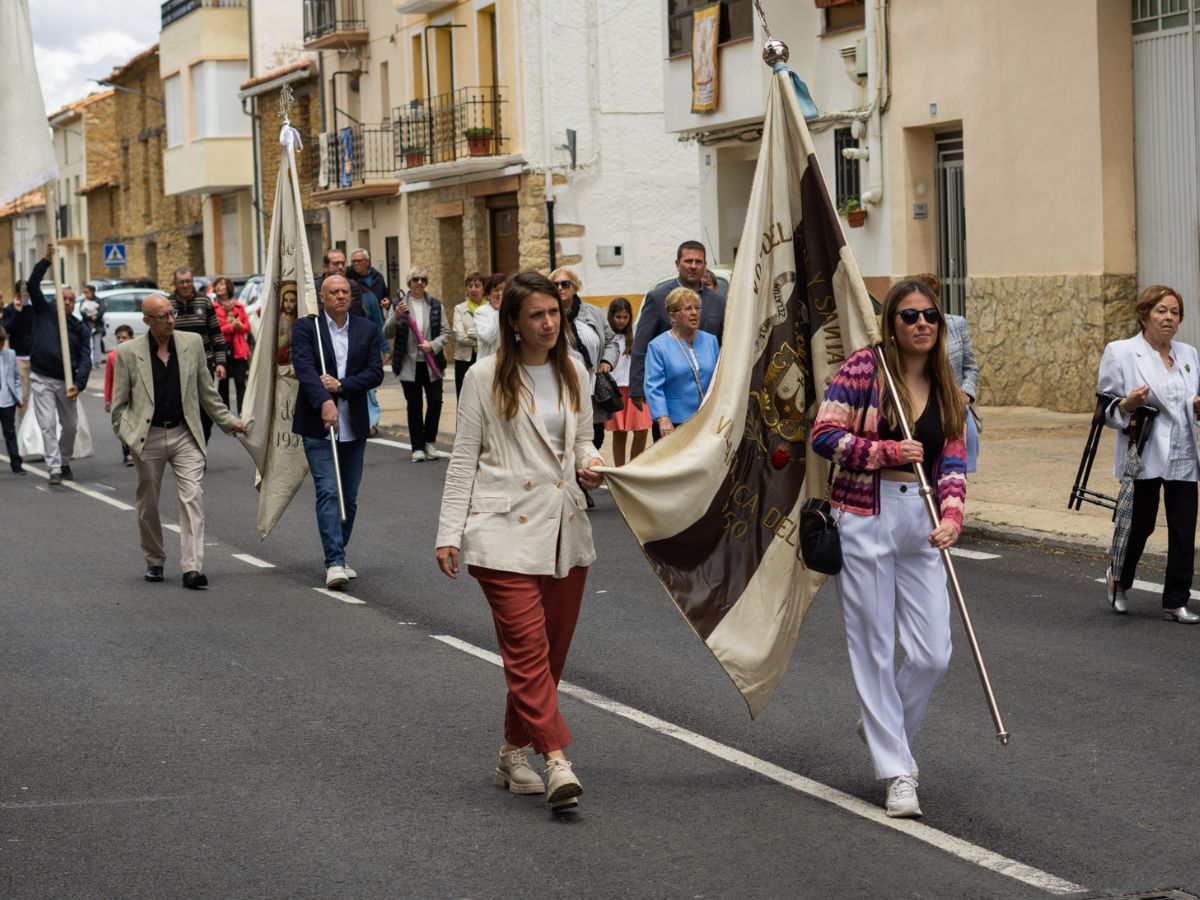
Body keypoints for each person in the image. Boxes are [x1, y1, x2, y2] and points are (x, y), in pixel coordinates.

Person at [435, 270, 604, 812]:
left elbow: (582, 442)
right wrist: (448, 533)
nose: (550, 322)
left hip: (563, 527)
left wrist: (591, 465)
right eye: (537, 314)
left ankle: (512, 752)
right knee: (528, 649)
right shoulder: (483, 378)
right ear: (513, 322)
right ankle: (557, 761)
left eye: (554, 312)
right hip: (500, 528)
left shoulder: (574, 369)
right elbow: (463, 457)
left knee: (548, 656)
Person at [811, 278, 967, 819]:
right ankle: (897, 770)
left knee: (933, 653)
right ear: (892, 324)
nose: (921, 323)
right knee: (873, 645)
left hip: (921, 518)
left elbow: (952, 461)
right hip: (864, 514)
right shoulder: (863, 369)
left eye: (930, 315)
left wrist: (951, 515)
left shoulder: (946, 383)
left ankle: (883, 723)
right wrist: (883, 450)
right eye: (909, 316)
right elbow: (825, 434)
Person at [110, 294, 246, 588]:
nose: (171, 320)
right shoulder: (128, 353)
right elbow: (119, 407)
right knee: (148, 505)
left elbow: (207, 392)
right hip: (149, 437)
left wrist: (230, 422)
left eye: (172, 314)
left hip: (185, 432)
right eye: (163, 316)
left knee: (192, 497)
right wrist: (128, 436)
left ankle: (192, 568)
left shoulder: (191, 344)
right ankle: (155, 559)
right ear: (147, 320)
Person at [1097, 284, 1200, 623]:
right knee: (1140, 525)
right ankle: (1120, 580)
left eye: (1174, 312)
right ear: (1144, 316)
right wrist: (1128, 404)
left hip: (1184, 452)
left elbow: (1190, 405)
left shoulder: (1189, 354)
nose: (1169, 318)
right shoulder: (1121, 352)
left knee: (1184, 528)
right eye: (1161, 311)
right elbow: (1105, 410)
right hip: (1144, 452)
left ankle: (1176, 600)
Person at [291, 275, 384, 588]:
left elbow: (375, 373)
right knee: (329, 490)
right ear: (322, 296)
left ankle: (340, 551)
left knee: (350, 496)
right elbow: (304, 368)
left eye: (345, 291)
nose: (341, 296)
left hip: (354, 425)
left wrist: (342, 387)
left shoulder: (366, 329)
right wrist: (323, 401)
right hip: (318, 425)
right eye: (334, 292)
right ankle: (333, 561)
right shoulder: (308, 328)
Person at [629, 240, 726, 423]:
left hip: (707, 402)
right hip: (671, 401)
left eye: (698, 262)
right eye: (688, 261)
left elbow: (723, 346)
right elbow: (642, 343)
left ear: (705, 266)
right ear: (677, 264)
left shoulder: (718, 301)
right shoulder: (658, 297)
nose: (693, 266)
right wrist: (637, 386)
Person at [24, 244, 92, 485]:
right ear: (55, 301)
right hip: (41, 378)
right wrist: (45, 260)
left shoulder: (79, 328)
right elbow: (32, 285)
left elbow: (86, 358)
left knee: (71, 426)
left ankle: (64, 460)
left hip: (67, 382)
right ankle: (54, 468)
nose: (67, 302)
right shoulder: (44, 312)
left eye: (71, 300)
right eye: (63, 298)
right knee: (48, 425)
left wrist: (80, 384)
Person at [913, 273, 980, 473]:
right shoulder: (908, 330)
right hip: (921, 410)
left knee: (957, 473)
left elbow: (971, 368)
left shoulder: (957, 324)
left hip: (955, 410)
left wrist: (966, 393)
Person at [384, 266, 450, 462]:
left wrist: (433, 345)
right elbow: (386, 332)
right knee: (414, 405)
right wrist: (395, 316)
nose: (419, 283)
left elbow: (446, 332)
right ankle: (417, 447)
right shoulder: (399, 305)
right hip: (408, 365)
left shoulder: (436, 306)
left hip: (432, 364)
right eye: (415, 280)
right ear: (409, 283)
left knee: (436, 401)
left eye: (423, 279)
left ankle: (429, 441)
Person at [643, 287, 719, 435]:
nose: (694, 313)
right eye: (688, 308)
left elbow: (719, 377)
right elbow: (653, 387)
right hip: (673, 423)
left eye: (697, 308)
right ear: (673, 316)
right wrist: (663, 418)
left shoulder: (711, 340)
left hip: (708, 419)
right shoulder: (658, 346)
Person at [168, 266, 227, 443]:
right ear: (175, 284)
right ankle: (190, 447)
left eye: (188, 281)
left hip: (204, 363)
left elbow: (216, 334)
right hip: (176, 365)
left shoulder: (205, 302)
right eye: (182, 282)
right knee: (182, 407)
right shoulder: (168, 305)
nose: (186, 285)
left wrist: (221, 362)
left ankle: (202, 442)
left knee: (205, 409)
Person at [604, 297, 651, 465]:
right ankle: (620, 469)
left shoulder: (637, 335)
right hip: (615, 389)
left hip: (635, 388)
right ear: (611, 316)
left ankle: (634, 466)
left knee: (642, 430)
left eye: (625, 317)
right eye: (618, 317)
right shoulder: (607, 337)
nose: (622, 321)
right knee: (619, 431)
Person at [212, 277, 251, 417]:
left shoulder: (239, 307)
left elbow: (247, 328)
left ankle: (242, 411)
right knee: (223, 383)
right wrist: (231, 327)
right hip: (222, 349)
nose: (218, 287)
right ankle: (225, 413)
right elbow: (215, 329)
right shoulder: (213, 308)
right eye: (216, 285)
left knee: (241, 382)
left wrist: (239, 326)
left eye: (221, 284)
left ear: (228, 287)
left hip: (239, 350)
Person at [104, 324, 136, 466]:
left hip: (134, 396)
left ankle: (136, 450)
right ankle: (127, 453)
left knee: (134, 425)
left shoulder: (136, 355)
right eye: (119, 338)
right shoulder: (112, 357)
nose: (121, 340)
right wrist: (107, 399)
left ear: (132, 338)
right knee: (123, 425)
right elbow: (108, 379)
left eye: (125, 337)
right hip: (119, 397)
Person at [451, 271, 486, 399]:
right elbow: (460, 337)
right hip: (464, 359)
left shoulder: (490, 309)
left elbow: (494, 336)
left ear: (484, 288)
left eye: (477, 285)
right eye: (470, 286)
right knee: (464, 398)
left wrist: (473, 334)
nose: (473, 289)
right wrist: (483, 337)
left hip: (484, 357)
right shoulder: (459, 309)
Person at [1, 283, 32, 423]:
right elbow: (6, 330)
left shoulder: (32, 308)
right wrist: (17, 312)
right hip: (20, 357)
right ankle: (23, 429)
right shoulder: (9, 309)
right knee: (23, 396)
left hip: (36, 357)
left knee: (39, 397)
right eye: (23, 292)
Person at [316, 248, 366, 319]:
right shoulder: (315, 287)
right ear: (325, 267)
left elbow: (357, 313)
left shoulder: (352, 286)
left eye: (343, 263)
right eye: (336, 264)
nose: (340, 267)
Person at [0, 325, 24, 474]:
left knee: (10, 433)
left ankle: (16, 464)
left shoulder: (10, 354)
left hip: (7, 400)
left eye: (2, 342)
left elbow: (16, 378)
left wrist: (19, 397)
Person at [474, 273, 506, 360]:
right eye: (496, 290)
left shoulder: (510, 311)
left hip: (507, 362)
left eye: (503, 289)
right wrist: (499, 312)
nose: (500, 293)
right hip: (487, 362)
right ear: (488, 295)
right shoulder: (481, 312)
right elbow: (489, 338)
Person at [348, 247, 390, 313]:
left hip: (377, 315)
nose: (356, 263)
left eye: (359, 261)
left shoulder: (377, 277)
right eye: (353, 261)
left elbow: (386, 295)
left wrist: (387, 301)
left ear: (367, 262)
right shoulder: (349, 278)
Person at [80, 284, 104, 366]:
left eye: (87, 292)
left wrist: (96, 316)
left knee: (97, 344)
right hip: (87, 325)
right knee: (88, 345)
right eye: (84, 292)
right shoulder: (83, 301)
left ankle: (97, 362)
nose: (85, 294)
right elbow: (82, 312)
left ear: (92, 291)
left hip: (97, 326)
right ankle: (89, 362)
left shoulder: (98, 301)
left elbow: (102, 310)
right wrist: (89, 317)